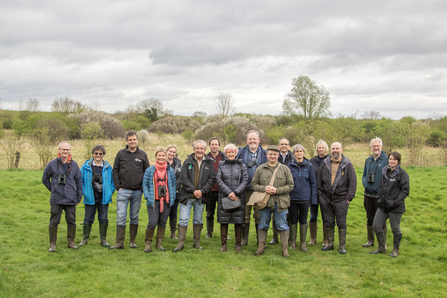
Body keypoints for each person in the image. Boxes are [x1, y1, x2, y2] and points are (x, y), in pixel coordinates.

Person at [173, 140, 216, 252]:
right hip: (187, 196)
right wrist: (193, 190)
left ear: (205, 150)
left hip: (201, 198)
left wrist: (202, 191)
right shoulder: (187, 162)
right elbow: (183, 178)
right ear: (194, 149)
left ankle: (196, 243)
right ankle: (180, 244)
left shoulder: (209, 163)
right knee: (183, 219)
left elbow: (212, 179)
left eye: (202, 148)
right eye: (197, 148)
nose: (199, 150)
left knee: (198, 220)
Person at [251, 145, 294, 257]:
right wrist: (264, 188)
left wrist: (277, 190)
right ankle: (260, 248)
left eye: (275, 154)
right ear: (267, 155)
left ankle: (285, 250)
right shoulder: (260, 169)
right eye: (270, 154)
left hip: (280, 203)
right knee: (263, 225)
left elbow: (290, 185)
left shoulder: (285, 169)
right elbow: (254, 184)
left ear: (278, 155)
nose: (272, 156)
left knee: (282, 226)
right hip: (264, 203)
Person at [110, 130, 150, 249]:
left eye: (134, 139)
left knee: (134, 216)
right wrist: (118, 186)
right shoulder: (121, 154)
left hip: (137, 191)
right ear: (127, 141)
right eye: (130, 140)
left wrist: (142, 188)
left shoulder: (142, 155)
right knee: (121, 216)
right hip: (123, 190)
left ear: (137, 140)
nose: (132, 142)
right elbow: (115, 170)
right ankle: (119, 243)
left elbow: (147, 172)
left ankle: (132, 241)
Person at [42, 141, 82, 252]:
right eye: (63, 149)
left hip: (70, 198)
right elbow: (45, 179)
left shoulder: (74, 165)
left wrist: (78, 197)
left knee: (71, 220)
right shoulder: (52, 164)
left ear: (70, 151)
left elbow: (79, 181)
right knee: (54, 221)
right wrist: (53, 189)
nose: (65, 151)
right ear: (59, 150)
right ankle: (52, 244)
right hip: (56, 198)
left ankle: (71, 242)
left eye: (67, 150)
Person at [318, 142, 357, 254]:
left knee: (341, 223)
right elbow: (319, 180)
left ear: (341, 150)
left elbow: (352, 183)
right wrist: (320, 195)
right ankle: (330, 244)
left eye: (337, 148)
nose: (335, 150)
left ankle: (342, 246)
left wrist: (348, 198)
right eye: (333, 149)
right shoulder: (325, 163)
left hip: (341, 199)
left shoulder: (347, 164)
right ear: (330, 150)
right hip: (326, 199)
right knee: (328, 222)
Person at [371, 152, 409, 258]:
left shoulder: (402, 173)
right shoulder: (385, 171)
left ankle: (395, 250)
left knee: (395, 229)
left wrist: (396, 202)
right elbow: (381, 186)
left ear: (398, 161)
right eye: (390, 159)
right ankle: (382, 248)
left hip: (395, 206)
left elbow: (405, 191)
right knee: (376, 225)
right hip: (383, 204)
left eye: (394, 159)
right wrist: (379, 198)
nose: (391, 161)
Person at [79, 145, 115, 248]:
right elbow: (80, 180)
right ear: (93, 154)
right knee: (88, 218)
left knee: (103, 218)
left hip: (103, 197)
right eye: (96, 153)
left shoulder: (107, 167)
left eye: (100, 153)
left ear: (103, 155)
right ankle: (85, 239)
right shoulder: (86, 166)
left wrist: (110, 191)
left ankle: (103, 239)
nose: (98, 155)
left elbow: (112, 181)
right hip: (90, 196)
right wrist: (84, 192)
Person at [142, 148, 177, 253]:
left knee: (162, 222)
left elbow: (174, 184)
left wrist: (172, 197)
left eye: (163, 156)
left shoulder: (170, 170)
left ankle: (159, 244)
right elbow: (145, 184)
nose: (161, 157)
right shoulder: (150, 170)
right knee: (152, 222)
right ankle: (148, 244)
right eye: (159, 155)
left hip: (166, 201)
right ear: (156, 156)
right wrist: (148, 196)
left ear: (165, 157)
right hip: (154, 201)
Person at [236, 130, 267, 246]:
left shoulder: (265, 154)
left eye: (255, 139)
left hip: (260, 190)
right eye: (250, 139)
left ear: (259, 140)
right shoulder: (241, 153)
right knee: (245, 215)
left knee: (259, 216)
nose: (252, 141)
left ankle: (260, 241)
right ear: (247, 141)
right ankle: (244, 239)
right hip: (245, 189)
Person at [216, 144, 248, 252]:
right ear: (226, 153)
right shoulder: (221, 165)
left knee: (238, 221)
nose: (230, 154)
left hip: (238, 197)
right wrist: (229, 192)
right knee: (224, 222)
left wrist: (236, 192)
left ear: (236, 153)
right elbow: (219, 180)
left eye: (232, 152)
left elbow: (245, 180)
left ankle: (237, 244)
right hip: (224, 197)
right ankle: (223, 244)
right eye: (228, 152)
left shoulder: (241, 165)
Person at [287, 144, 317, 252]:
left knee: (303, 220)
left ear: (303, 152)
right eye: (297, 151)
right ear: (294, 153)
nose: (299, 153)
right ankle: (293, 242)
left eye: (301, 151)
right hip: (293, 198)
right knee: (293, 220)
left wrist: (313, 198)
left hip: (305, 198)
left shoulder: (309, 166)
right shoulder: (289, 166)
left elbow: (313, 182)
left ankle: (303, 243)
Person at [362, 137, 389, 248]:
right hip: (368, 194)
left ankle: (382, 242)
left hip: (380, 195)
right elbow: (364, 175)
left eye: (378, 146)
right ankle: (370, 240)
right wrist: (366, 184)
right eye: (374, 146)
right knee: (370, 217)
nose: (376, 148)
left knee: (381, 219)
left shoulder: (386, 160)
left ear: (381, 147)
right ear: (371, 147)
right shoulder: (368, 160)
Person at [269, 137, 293, 245]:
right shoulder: (274, 157)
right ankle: (275, 237)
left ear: (289, 146)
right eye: (282, 144)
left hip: (289, 189)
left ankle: (289, 239)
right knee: (276, 214)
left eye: (286, 144)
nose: (284, 146)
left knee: (288, 216)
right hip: (275, 191)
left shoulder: (292, 157)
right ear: (279, 146)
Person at [309, 140, 330, 246]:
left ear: (326, 149)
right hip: (313, 192)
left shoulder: (330, 160)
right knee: (313, 216)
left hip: (325, 193)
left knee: (325, 216)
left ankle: (326, 240)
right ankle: (313, 238)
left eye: (323, 147)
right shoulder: (312, 161)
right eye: (319, 147)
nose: (321, 149)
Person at [205, 137, 226, 238]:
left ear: (219, 145)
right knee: (209, 213)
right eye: (212, 144)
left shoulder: (224, 157)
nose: (214, 146)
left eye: (216, 144)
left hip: (222, 190)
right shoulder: (206, 157)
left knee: (223, 213)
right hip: (209, 190)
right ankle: (209, 232)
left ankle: (224, 233)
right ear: (210, 146)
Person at [166, 145, 182, 239]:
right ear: (166, 151)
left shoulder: (178, 163)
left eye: (173, 152)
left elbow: (180, 177)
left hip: (176, 191)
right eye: (170, 151)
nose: (172, 153)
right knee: (164, 212)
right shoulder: (162, 162)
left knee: (174, 212)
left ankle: (173, 233)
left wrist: (176, 187)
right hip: (165, 191)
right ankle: (162, 231)